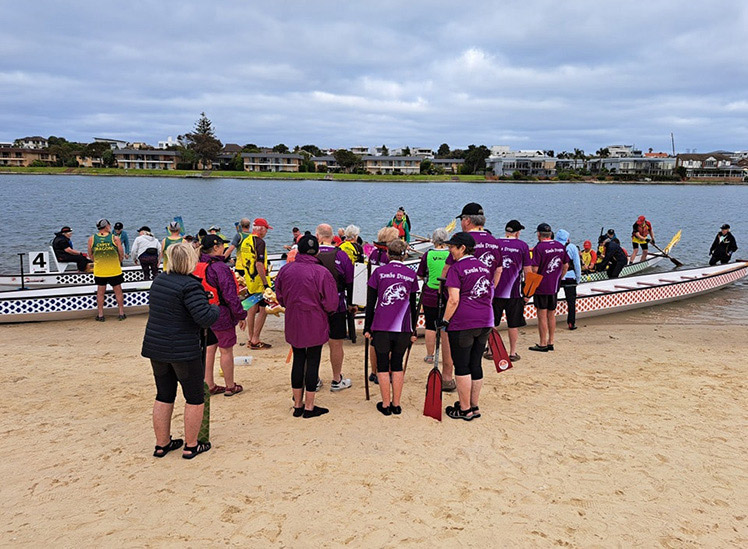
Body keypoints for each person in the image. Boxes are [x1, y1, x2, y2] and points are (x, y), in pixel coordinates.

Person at [142, 242, 219, 459]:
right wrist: (214, 308)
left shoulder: (159, 280)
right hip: (183, 349)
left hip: (156, 346)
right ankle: (191, 445)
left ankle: (162, 444)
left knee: (164, 394)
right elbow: (204, 318)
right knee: (194, 397)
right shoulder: (190, 286)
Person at [275, 232, 338, 418]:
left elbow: (280, 296)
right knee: (313, 361)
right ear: (316, 252)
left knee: (298, 359)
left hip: (294, 319)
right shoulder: (322, 272)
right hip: (315, 319)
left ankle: (298, 404)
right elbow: (331, 303)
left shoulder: (286, 270)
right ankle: (309, 406)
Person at [438, 232, 497, 421]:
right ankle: (473, 405)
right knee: (475, 363)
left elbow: (453, 300)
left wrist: (444, 320)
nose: (450, 250)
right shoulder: (484, 267)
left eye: (452, 247)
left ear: (462, 248)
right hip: (485, 320)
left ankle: (464, 409)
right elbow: (490, 293)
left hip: (463, 322)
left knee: (462, 365)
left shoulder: (456, 269)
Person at [364, 239, 419, 415]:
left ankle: (386, 404)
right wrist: (414, 329)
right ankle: (396, 404)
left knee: (382, 364)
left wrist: (367, 328)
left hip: (381, 325)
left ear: (388, 254)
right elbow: (413, 306)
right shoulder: (411, 275)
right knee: (397, 364)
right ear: (405, 255)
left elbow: (370, 303)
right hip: (403, 327)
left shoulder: (379, 272)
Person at [196, 235, 247, 397]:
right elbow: (230, 295)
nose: (224, 248)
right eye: (222, 246)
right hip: (221, 313)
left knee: (209, 348)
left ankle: (208, 384)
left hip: (203, 312)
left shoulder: (197, 265)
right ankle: (230, 386)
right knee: (226, 350)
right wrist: (240, 314)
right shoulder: (220, 268)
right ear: (216, 247)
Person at [415, 228, 455, 391]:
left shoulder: (428, 254)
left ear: (433, 240)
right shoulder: (451, 255)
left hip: (431, 293)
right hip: (448, 293)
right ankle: (448, 356)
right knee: (447, 325)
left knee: (431, 325)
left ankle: (430, 355)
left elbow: (420, 275)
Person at [316, 223, 354, 391]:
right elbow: (350, 281)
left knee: (313, 343)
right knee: (336, 343)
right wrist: (352, 303)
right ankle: (336, 379)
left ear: (317, 236)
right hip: (337, 304)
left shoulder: (311, 254)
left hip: (315, 305)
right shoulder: (341, 255)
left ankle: (313, 378)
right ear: (332, 237)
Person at [493, 220, 532, 361]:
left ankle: (492, 350)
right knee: (513, 324)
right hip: (514, 292)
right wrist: (528, 293)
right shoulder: (522, 246)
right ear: (517, 232)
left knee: (493, 323)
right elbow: (528, 271)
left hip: (495, 291)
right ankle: (512, 352)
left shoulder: (496, 243)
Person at [528, 223, 569, 352]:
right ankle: (551, 341)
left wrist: (530, 283)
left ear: (538, 234)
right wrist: (559, 277)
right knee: (551, 313)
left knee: (542, 314)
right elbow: (566, 265)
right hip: (554, 285)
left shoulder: (539, 248)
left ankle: (542, 343)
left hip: (541, 285)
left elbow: (535, 269)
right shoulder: (560, 246)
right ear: (550, 234)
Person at [240, 218, 273, 350]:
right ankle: (255, 339)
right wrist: (266, 285)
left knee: (252, 308)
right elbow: (259, 264)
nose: (266, 232)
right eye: (266, 229)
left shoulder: (246, 241)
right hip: (259, 281)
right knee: (265, 309)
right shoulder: (259, 242)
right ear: (260, 229)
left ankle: (250, 337)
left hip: (249, 279)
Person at [88, 218, 126, 321]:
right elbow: (121, 254)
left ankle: (100, 315)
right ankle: (121, 313)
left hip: (100, 270)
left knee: (100, 292)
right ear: (107, 226)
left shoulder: (92, 239)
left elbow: (90, 255)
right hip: (114, 270)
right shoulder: (115, 238)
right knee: (118, 291)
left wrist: (98, 261)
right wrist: (117, 261)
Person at [555, 229, 582, 331]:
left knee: (552, 299)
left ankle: (549, 320)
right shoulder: (572, 247)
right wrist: (578, 279)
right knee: (571, 302)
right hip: (570, 277)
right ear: (567, 238)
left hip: (557, 277)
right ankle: (571, 323)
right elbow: (577, 264)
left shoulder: (554, 247)